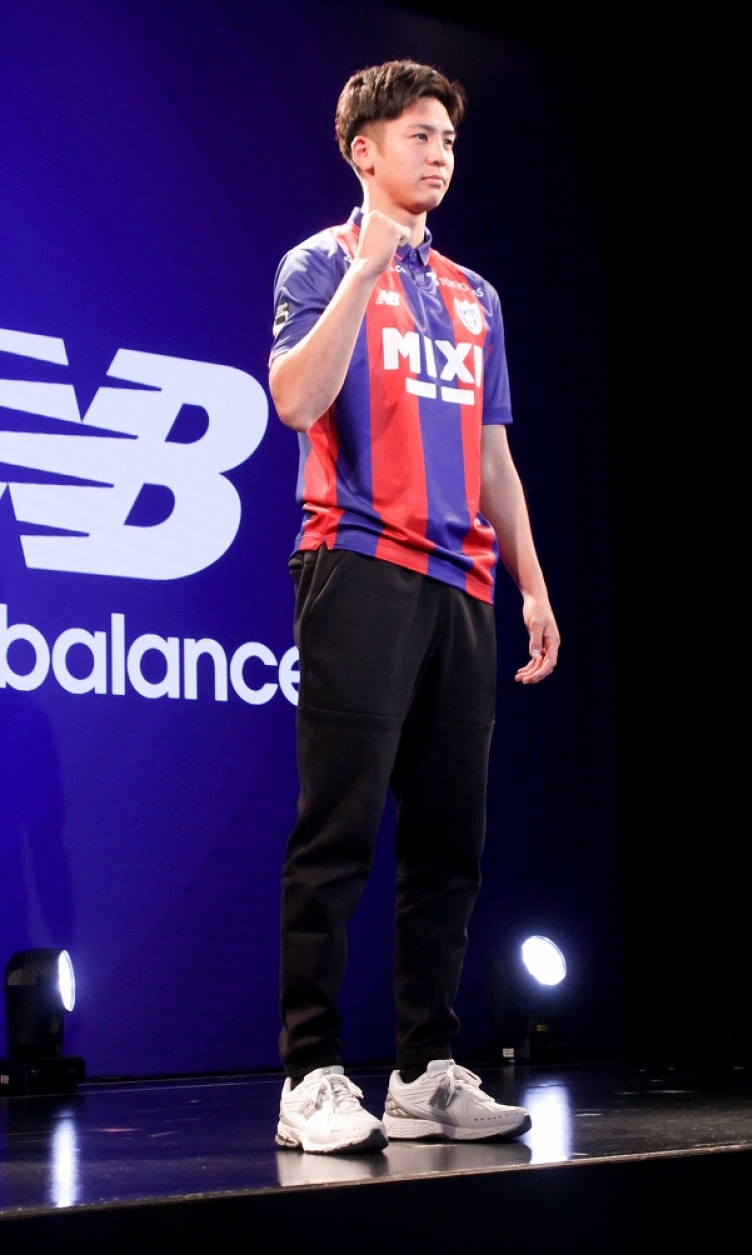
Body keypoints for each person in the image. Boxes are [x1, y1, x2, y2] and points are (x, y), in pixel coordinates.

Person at [268, 60, 560, 1155]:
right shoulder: (318, 261)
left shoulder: (477, 294)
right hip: (356, 561)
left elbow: (493, 457)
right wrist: (364, 273)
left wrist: (530, 582)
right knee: (338, 828)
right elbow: (294, 398)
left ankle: (423, 1070)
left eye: (447, 139)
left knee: (450, 842)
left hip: (463, 584)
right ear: (364, 149)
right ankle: (308, 1074)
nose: (439, 154)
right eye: (418, 135)